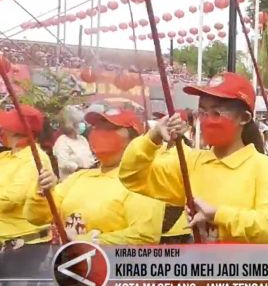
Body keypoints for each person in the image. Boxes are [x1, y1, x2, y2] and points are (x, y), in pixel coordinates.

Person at [119, 72, 268, 243]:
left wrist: (218, 215)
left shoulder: (260, 166)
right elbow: (132, 177)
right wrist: (153, 137)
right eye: (202, 112)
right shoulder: (192, 163)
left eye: (216, 113)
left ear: (244, 118)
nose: (208, 120)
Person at [25, 109, 164, 245]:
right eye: (97, 128)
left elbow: (145, 236)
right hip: (65, 263)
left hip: (111, 265)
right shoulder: (78, 178)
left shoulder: (142, 183)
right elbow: (37, 218)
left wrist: (90, 243)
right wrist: (42, 194)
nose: (101, 134)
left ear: (134, 139)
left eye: (111, 129)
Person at [0, 105, 51, 249]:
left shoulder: (36, 158)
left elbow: (11, 199)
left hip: (23, 244)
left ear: (17, 131)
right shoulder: (4, 157)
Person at [52, 106, 96, 180]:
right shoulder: (62, 141)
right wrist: (79, 169)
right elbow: (63, 163)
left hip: (87, 178)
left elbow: (89, 156)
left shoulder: (82, 139)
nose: (82, 124)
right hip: (70, 181)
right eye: (79, 122)